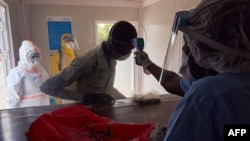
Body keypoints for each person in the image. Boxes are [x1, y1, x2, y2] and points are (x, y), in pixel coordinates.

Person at [159, 0, 250, 141]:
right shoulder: (228, 86)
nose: (188, 52)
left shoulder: (209, 93)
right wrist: (147, 63)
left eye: (191, 46)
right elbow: (172, 82)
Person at [40, 21, 137, 106]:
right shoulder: (87, 61)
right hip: (83, 114)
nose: (128, 52)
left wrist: (129, 102)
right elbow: (47, 87)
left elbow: (107, 89)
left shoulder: (111, 58)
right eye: (127, 48)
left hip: (101, 113)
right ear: (117, 45)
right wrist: (85, 97)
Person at [134, 50, 217, 96]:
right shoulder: (201, 85)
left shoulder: (211, 89)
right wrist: (147, 63)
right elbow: (170, 80)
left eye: (190, 53)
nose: (181, 69)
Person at [6, 40, 50, 108]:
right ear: (24, 56)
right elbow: (13, 100)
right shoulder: (17, 74)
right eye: (33, 57)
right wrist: (14, 116)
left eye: (37, 57)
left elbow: (49, 87)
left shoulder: (40, 70)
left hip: (44, 110)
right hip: (28, 114)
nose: (35, 60)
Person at [49, 33, 78, 105]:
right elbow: (54, 75)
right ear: (63, 43)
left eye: (72, 41)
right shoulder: (56, 57)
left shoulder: (76, 55)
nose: (71, 44)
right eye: (68, 42)